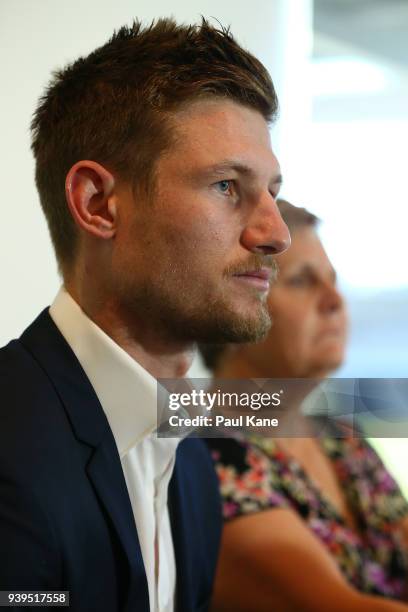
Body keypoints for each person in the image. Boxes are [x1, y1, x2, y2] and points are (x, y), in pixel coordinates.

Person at [0, 19, 290, 612]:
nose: (276, 233)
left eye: (272, 193)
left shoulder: (195, 467)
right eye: (227, 186)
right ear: (98, 204)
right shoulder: (8, 446)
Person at [201, 199, 408, 611]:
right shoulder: (208, 456)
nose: (335, 299)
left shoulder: (340, 438)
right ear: (231, 308)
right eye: (301, 281)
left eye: (332, 280)